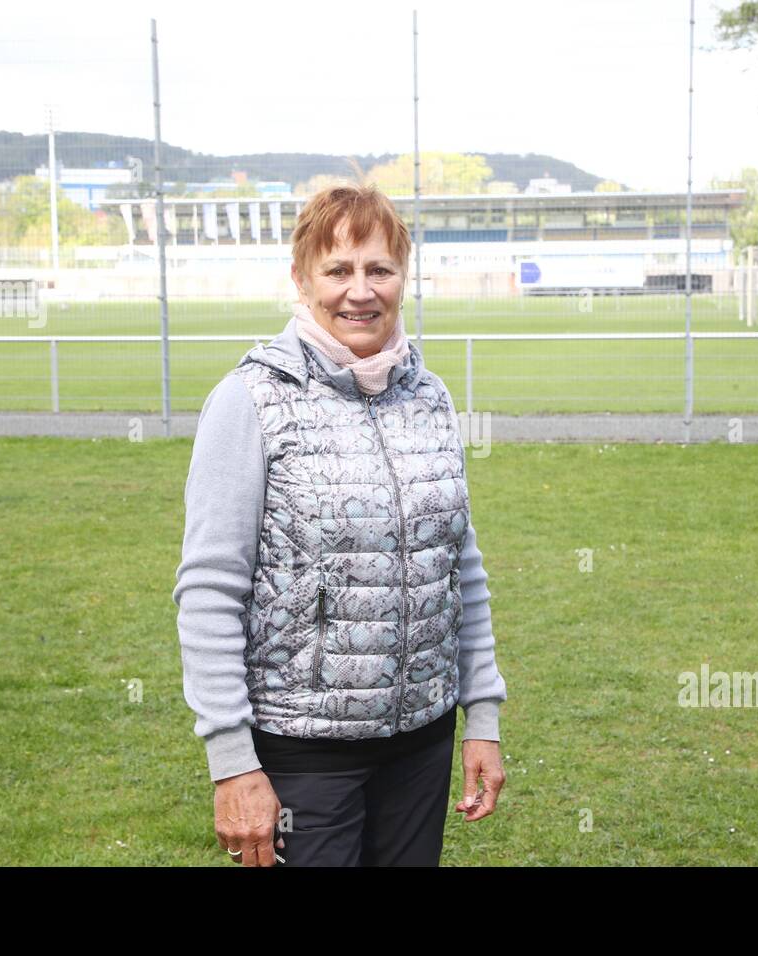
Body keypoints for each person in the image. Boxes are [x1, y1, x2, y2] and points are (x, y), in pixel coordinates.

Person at [172, 181, 509, 867]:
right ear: (302, 280)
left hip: (421, 742)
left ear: (403, 278)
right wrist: (233, 763)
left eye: (379, 269)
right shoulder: (250, 400)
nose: (361, 291)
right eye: (339, 270)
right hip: (305, 755)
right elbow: (209, 591)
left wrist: (485, 718)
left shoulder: (430, 396)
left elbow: (460, 568)